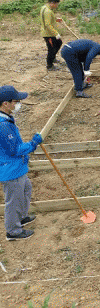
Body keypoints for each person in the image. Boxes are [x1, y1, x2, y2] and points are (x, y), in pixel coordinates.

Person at [0, 86, 43, 241]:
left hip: (17, 167)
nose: (18, 104)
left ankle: (21, 217)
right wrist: (32, 144)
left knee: (26, 190)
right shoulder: (3, 125)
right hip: (11, 169)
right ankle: (13, 231)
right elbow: (14, 150)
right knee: (14, 200)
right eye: (16, 101)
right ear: (5, 103)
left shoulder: (7, 119)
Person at [40, 0, 63, 71]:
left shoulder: (44, 7)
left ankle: (53, 58)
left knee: (59, 43)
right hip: (48, 33)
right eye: (57, 4)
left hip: (48, 32)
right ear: (52, 3)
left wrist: (56, 19)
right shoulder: (48, 11)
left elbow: (47, 19)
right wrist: (56, 33)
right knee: (52, 49)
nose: (57, 6)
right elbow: (47, 24)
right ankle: (49, 65)